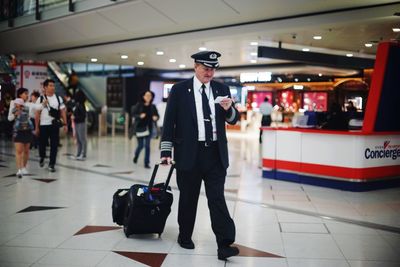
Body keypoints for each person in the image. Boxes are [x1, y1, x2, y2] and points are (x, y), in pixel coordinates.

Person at [160, 51, 240, 261]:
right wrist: (166, 151)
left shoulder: (222, 89)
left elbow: (233, 119)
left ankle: (224, 244)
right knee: (188, 197)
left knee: (217, 198)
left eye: (213, 68)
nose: (210, 72)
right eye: (206, 68)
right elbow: (169, 122)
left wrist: (229, 108)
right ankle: (184, 236)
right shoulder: (179, 91)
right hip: (189, 153)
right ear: (195, 66)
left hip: (215, 153)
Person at [35, 79, 68, 172]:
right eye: (50, 85)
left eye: (53, 85)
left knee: (54, 145)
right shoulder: (40, 99)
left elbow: (62, 111)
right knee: (42, 144)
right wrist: (36, 127)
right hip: (43, 125)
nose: (53, 87)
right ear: (45, 87)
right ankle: (42, 157)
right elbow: (37, 114)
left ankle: (51, 164)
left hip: (54, 125)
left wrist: (65, 124)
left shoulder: (58, 98)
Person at [8, 88, 40, 178]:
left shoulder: (29, 105)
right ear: (20, 95)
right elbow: (9, 118)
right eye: (25, 93)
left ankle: (24, 167)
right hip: (18, 130)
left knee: (26, 150)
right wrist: (15, 114)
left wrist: (43, 103)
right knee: (19, 151)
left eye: (27, 93)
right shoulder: (13, 104)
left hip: (27, 130)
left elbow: (37, 108)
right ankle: (19, 169)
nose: (27, 95)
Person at [132, 90, 159, 169]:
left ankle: (146, 163)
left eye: (150, 96)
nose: (148, 97)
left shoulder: (153, 106)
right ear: (143, 97)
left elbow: (157, 115)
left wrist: (156, 117)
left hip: (149, 128)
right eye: (146, 95)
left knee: (147, 146)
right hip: (140, 128)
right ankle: (136, 155)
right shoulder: (139, 105)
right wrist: (139, 116)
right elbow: (133, 114)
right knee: (141, 145)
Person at [71, 91, 87, 160]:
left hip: (81, 123)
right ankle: (79, 153)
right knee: (78, 139)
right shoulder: (77, 104)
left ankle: (83, 154)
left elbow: (83, 116)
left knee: (82, 139)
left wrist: (75, 117)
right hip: (77, 123)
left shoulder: (81, 105)